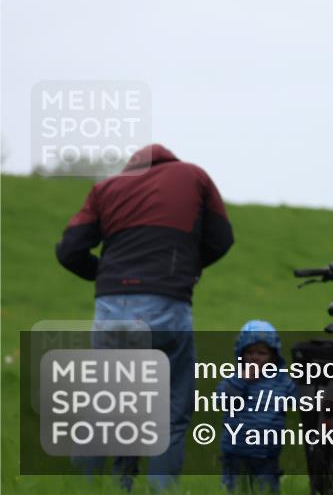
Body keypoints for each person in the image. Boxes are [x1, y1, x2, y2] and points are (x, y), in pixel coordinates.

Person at [55, 143, 234, 491]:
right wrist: (185, 270)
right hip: (166, 306)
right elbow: (222, 239)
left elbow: (69, 250)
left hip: (111, 310)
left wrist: (104, 273)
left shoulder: (106, 188)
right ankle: (159, 489)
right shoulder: (194, 177)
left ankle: (82, 487)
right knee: (170, 413)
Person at [217, 320, 298, 493]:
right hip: (236, 449)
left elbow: (299, 401)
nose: (255, 357)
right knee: (236, 488)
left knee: (266, 489)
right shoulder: (235, 379)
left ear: (273, 356)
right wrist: (241, 380)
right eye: (250, 352)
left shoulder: (281, 381)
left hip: (267, 451)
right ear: (241, 354)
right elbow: (222, 400)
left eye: (262, 353)